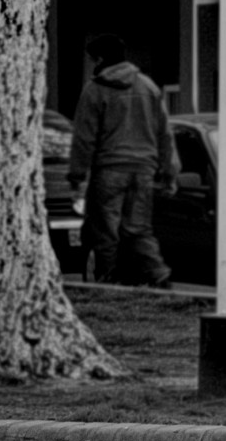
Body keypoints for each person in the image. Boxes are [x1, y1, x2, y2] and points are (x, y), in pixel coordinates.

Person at [67, 34, 179, 287]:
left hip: (110, 169)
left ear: (100, 58)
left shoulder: (95, 89)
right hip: (143, 170)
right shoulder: (148, 87)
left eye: (92, 59)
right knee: (138, 228)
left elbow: (84, 137)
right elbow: (165, 134)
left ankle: (107, 281)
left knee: (105, 231)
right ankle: (159, 274)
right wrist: (170, 172)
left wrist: (77, 175)